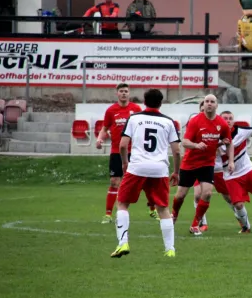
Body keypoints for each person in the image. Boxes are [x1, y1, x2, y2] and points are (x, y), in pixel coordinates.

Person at [110, 89, 181, 258]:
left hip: (137, 167)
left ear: (144, 101)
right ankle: (170, 249)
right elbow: (177, 152)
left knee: (122, 203)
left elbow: (122, 145)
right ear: (161, 103)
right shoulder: (168, 122)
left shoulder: (134, 118)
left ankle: (123, 243)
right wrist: (176, 172)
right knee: (163, 208)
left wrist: (125, 162)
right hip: (159, 169)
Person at [171, 94, 234, 236]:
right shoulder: (195, 121)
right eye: (207, 101)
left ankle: (195, 225)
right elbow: (185, 142)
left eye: (212, 101)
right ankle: (174, 215)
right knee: (180, 195)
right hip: (190, 163)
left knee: (207, 193)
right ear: (203, 105)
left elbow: (229, 143)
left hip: (207, 164)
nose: (209, 104)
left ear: (216, 105)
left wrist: (231, 161)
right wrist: (196, 145)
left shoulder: (222, 124)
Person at [96, 84, 159, 223]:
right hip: (116, 151)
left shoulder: (136, 109)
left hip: (135, 151)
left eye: (126, 91)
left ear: (129, 94)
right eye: (121, 91)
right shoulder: (111, 110)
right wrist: (100, 138)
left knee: (144, 181)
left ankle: (152, 209)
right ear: (117, 93)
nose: (123, 93)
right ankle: (108, 214)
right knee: (114, 182)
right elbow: (104, 128)